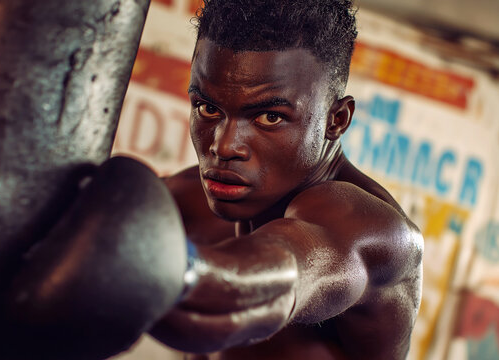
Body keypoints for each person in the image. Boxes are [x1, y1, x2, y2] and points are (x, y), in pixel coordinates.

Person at [147, 0, 424, 359]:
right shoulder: (188, 199)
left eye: (269, 117)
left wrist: (129, 259)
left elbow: (259, 286)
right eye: (208, 108)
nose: (223, 146)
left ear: (336, 120)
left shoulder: (372, 230)